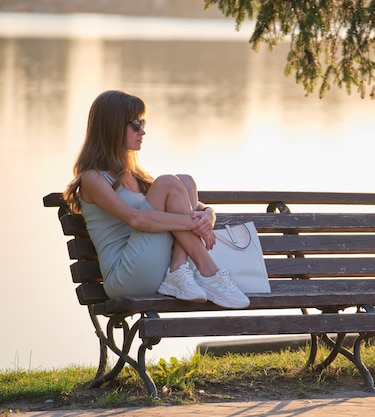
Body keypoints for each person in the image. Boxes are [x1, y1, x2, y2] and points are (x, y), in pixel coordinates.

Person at [63, 90, 249, 309]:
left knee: (185, 181)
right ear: (112, 127)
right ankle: (210, 272)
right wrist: (193, 223)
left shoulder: (139, 178)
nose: (142, 131)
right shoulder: (93, 179)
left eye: (143, 123)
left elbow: (192, 208)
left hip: (155, 267)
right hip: (126, 276)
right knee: (169, 183)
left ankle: (179, 268)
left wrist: (208, 215)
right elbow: (136, 219)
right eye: (135, 124)